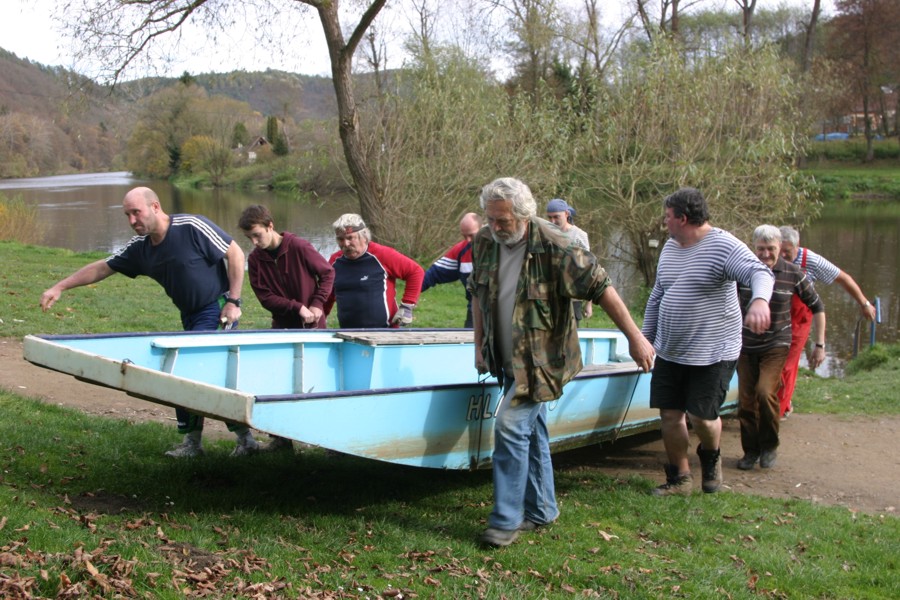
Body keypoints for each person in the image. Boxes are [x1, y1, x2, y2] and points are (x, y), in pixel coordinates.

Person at [469, 177, 654, 547]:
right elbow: (477, 294)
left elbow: (603, 289)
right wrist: (478, 346)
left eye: (502, 220)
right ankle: (541, 509)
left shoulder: (559, 245)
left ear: (524, 216)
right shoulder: (485, 242)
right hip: (505, 357)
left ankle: (506, 520)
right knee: (531, 431)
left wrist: (635, 338)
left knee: (508, 426)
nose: (495, 226)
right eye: (490, 218)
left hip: (542, 361)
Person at [39, 186, 260, 458]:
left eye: (137, 212)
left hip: (215, 309)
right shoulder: (141, 249)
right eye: (127, 215)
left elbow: (235, 253)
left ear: (155, 207)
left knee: (193, 371)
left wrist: (234, 301)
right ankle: (230, 440)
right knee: (200, 374)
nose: (132, 221)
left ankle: (217, 441)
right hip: (189, 315)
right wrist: (60, 287)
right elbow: (102, 267)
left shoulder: (191, 226)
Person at [642, 187, 773, 496]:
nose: (664, 222)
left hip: (712, 353)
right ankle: (680, 478)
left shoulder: (724, 246)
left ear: (683, 219)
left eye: (668, 217)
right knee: (670, 415)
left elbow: (760, 272)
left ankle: (710, 460)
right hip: (670, 351)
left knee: (702, 417)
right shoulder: (671, 247)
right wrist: (645, 339)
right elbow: (657, 295)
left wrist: (759, 302)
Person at [238, 204, 336, 452]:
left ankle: (331, 440)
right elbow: (265, 297)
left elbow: (327, 273)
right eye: (249, 238)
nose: (254, 241)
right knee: (280, 382)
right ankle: (281, 439)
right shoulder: (255, 259)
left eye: (257, 235)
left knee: (319, 382)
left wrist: (315, 304)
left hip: (313, 327)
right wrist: (295, 307)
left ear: (270, 226)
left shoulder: (299, 247)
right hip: (282, 326)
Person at [737, 225, 825, 470]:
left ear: (780, 248)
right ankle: (750, 451)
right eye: (761, 249)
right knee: (745, 400)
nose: (766, 254)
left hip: (776, 344)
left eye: (771, 249)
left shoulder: (793, 273)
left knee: (765, 392)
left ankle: (769, 445)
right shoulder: (743, 271)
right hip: (745, 345)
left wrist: (819, 344)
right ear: (754, 248)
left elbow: (817, 306)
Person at [777, 226, 877, 418]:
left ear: (797, 247)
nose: (781, 255)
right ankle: (779, 403)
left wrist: (863, 303)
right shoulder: (769, 256)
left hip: (798, 319)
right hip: (775, 316)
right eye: (779, 249)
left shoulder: (810, 260)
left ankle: (778, 411)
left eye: (787, 252)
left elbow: (843, 278)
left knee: (786, 365)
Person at [324, 213, 425, 328]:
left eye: (350, 238)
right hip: (348, 333)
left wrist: (407, 306)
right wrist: (320, 317)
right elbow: (327, 293)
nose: (345, 244)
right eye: (340, 239)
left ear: (364, 237)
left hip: (385, 333)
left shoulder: (383, 255)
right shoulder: (334, 261)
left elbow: (415, 272)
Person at [420, 212, 481, 327]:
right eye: (464, 236)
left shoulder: (501, 246)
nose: (467, 240)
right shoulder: (461, 251)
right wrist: (409, 295)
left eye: (471, 235)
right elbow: (433, 274)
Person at [546, 198, 593, 322]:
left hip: (572, 297)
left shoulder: (579, 236)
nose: (552, 221)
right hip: (550, 297)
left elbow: (588, 270)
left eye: (556, 217)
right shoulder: (546, 234)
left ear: (566, 214)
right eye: (549, 218)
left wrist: (589, 303)